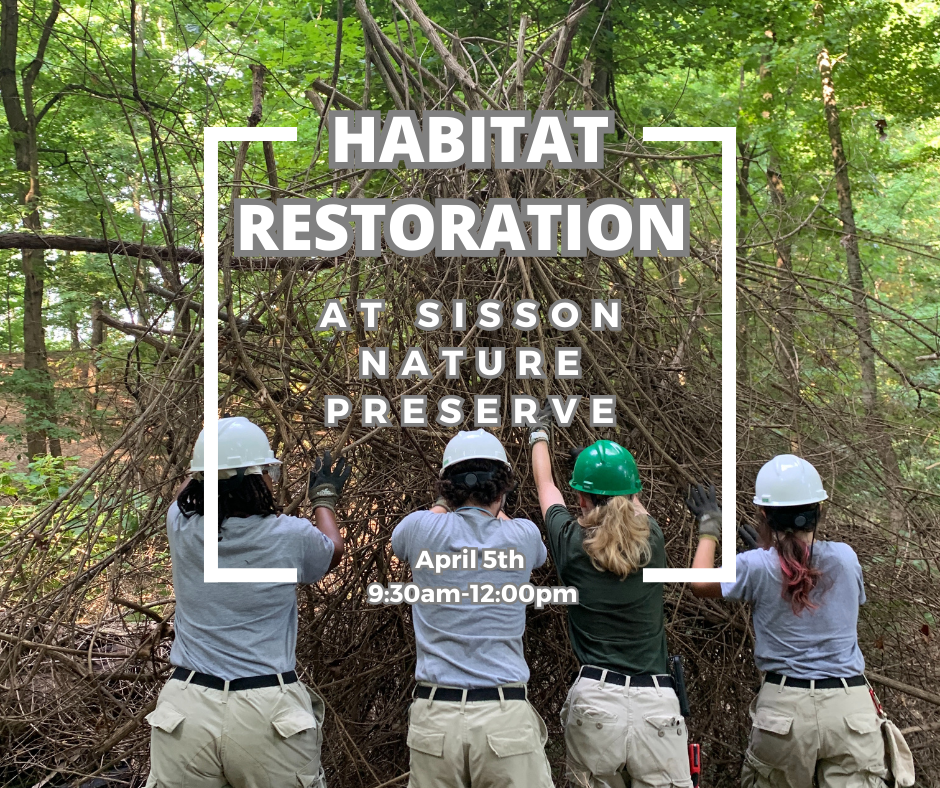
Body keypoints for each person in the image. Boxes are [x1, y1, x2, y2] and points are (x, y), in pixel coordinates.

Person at [145, 416, 347, 788]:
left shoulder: (182, 525)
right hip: (266, 711)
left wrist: (211, 458)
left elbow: (185, 492)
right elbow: (332, 551)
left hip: (187, 706)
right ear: (259, 478)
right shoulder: (289, 536)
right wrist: (324, 498)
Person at [688, 454, 889, 788]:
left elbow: (699, 584)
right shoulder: (845, 557)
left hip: (785, 710)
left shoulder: (755, 566)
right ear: (819, 512)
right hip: (850, 708)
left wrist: (709, 527)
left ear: (764, 514)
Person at [528, 407, 691, 788]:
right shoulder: (652, 540)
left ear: (581, 500)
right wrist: (607, 476)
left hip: (596, 701)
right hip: (657, 705)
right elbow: (631, 504)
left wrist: (539, 432)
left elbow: (545, 486)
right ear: (632, 494)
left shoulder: (570, 544)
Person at [391, 428, 554, 788]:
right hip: (503, 716)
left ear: (447, 487)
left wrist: (446, 500)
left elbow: (409, 537)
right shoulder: (523, 536)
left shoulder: (420, 529)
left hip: (436, 718)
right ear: (503, 488)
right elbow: (534, 551)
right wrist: (495, 504)